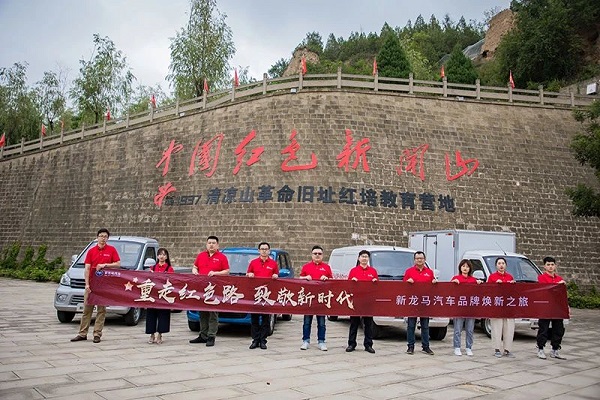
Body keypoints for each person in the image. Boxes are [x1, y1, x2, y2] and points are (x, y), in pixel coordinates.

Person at [70, 228, 121, 343]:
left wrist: (105, 265)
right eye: (101, 236)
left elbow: (118, 264)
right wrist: (87, 284)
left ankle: (97, 334)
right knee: (87, 310)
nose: (103, 238)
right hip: (91, 285)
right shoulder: (91, 251)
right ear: (97, 237)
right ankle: (82, 333)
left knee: (101, 311)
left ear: (108, 238)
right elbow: (87, 268)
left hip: (104, 286)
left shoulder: (111, 250)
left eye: (105, 236)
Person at [189, 236, 230, 347]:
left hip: (215, 290)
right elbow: (194, 266)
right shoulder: (201, 255)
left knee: (213, 313)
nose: (211, 245)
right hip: (202, 289)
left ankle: (211, 336)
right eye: (209, 243)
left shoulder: (222, 257)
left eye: (213, 243)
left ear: (218, 245)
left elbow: (226, 271)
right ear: (206, 244)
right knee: (202, 312)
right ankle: (203, 335)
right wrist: (195, 271)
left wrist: (216, 273)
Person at [299, 245, 333, 351]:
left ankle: (321, 341)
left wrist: (326, 278)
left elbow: (332, 281)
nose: (317, 255)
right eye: (315, 253)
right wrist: (305, 278)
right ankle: (305, 341)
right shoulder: (306, 267)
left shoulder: (327, 267)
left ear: (322, 255)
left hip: (321, 299)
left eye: (319, 254)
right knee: (307, 322)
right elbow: (299, 279)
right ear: (311, 255)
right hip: (309, 298)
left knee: (322, 322)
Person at [403, 251, 437, 355]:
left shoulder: (429, 272)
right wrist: (408, 282)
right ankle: (410, 346)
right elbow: (403, 286)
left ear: (424, 259)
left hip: (425, 302)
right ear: (414, 260)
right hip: (413, 302)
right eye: (417, 258)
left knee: (425, 326)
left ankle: (426, 346)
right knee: (411, 325)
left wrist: (434, 282)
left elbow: (433, 286)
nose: (419, 260)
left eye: (421, 258)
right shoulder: (409, 271)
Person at [246, 242, 279, 350]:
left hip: (267, 296)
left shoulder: (273, 264)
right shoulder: (253, 263)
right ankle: (255, 340)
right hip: (255, 295)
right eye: (262, 249)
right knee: (254, 319)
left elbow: (277, 276)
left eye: (266, 249)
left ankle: (263, 340)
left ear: (269, 251)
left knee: (265, 319)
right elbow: (247, 274)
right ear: (259, 251)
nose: (264, 251)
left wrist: (275, 276)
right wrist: (249, 275)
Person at [346, 249, 378, 354]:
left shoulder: (373, 271)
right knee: (354, 323)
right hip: (356, 300)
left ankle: (368, 344)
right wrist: (353, 282)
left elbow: (377, 286)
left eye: (366, 257)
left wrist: (374, 282)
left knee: (368, 324)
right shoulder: (353, 271)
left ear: (368, 259)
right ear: (359, 258)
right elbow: (348, 286)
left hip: (368, 301)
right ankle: (351, 344)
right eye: (362, 256)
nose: (364, 258)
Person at [536, 256, 567, 360]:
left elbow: (563, 295)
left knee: (558, 329)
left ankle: (555, 349)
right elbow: (545, 290)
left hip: (557, 308)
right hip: (545, 307)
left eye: (552, 265)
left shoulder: (559, 279)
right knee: (543, 329)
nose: (550, 267)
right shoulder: (541, 278)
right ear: (544, 266)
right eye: (548, 265)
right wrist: (556, 286)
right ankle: (540, 349)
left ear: (555, 266)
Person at [451, 259, 482, 356]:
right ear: (460, 267)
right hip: (459, 307)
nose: (465, 268)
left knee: (469, 329)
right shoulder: (456, 278)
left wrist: (479, 284)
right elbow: (450, 291)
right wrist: (453, 283)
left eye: (467, 267)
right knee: (458, 329)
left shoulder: (473, 280)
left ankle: (469, 347)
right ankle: (457, 347)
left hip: (470, 308)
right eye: (463, 266)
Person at [487, 257, 516, 358]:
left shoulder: (510, 277)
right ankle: (497, 349)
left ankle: (508, 349)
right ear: (496, 265)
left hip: (508, 306)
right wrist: (496, 285)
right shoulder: (492, 277)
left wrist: (513, 285)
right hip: (497, 306)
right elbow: (488, 291)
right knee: (496, 328)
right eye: (499, 263)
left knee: (509, 328)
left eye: (503, 263)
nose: (501, 265)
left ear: (506, 265)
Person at [146, 248, 174, 344]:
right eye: (160, 254)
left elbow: (172, 281)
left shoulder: (169, 268)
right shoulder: (152, 268)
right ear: (157, 256)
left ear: (166, 257)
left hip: (163, 295)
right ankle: (151, 334)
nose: (162, 256)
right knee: (151, 315)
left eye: (164, 254)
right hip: (153, 295)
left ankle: (160, 334)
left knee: (163, 315)